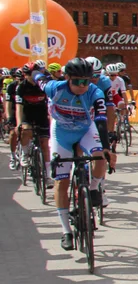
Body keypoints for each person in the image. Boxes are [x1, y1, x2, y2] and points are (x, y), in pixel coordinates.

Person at [34, 58, 108, 251]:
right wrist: (34, 71)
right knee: (62, 181)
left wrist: (107, 147)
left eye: (87, 81)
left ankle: (92, 189)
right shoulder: (54, 88)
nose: (83, 86)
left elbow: (101, 119)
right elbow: (38, 79)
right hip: (62, 133)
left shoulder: (95, 92)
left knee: (100, 156)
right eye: (77, 82)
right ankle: (66, 230)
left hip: (85, 130)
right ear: (67, 78)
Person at [15, 59, 51, 184]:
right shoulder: (21, 87)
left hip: (41, 113)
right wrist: (19, 123)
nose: (31, 77)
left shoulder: (44, 84)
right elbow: (19, 107)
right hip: (27, 113)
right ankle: (24, 154)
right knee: (26, 130)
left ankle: (47, 174)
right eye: (28, 74)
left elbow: (51, 103)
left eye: (33, 73)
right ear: (25, 75)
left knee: (45, 144)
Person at [6, 68, 23, 168]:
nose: (21, 81)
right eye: (19, 79)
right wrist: (9, 117)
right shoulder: (11, 86)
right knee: (13, 133)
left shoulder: (26, 86)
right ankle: (13, 156)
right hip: (13, 109)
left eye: (23, 79)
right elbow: (8, 104)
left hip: (25, 110)